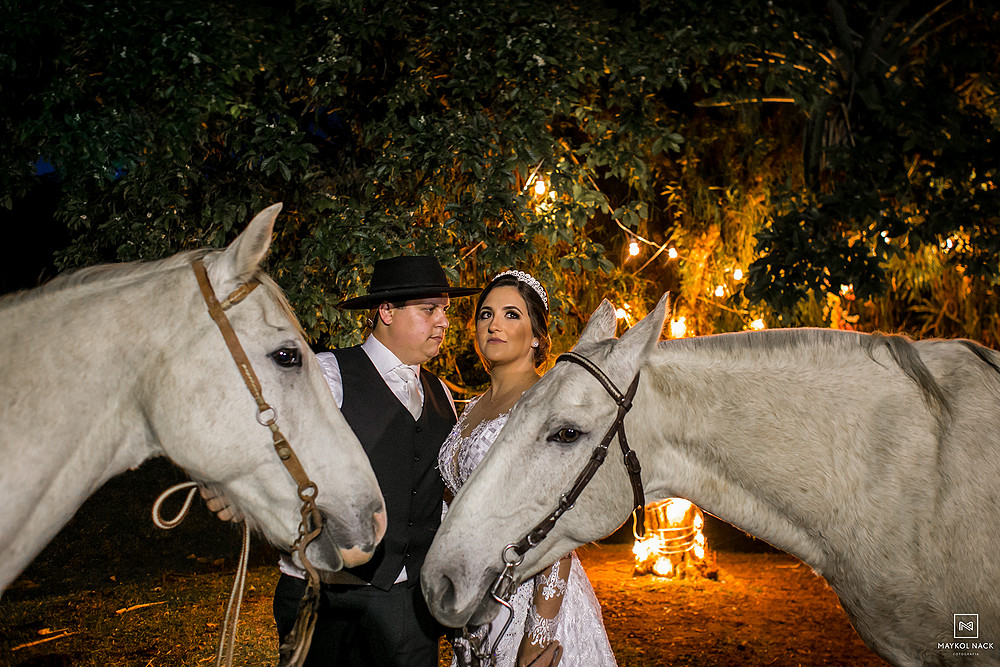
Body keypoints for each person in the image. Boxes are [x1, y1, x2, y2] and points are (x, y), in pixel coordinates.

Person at [271, 255, 480, 666]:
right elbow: (275, 469)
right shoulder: (330, 375)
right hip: (331, 598)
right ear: (385, 311)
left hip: (412, 603)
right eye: (428, 310)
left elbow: (435, 496)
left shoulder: (441, 395)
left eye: (445, 311)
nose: (443, 323)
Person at [438, 270, 617, 667]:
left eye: (511, 314)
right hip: (476, 608)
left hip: (532, 601)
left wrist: (538, 636)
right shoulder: (467, 410)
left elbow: (556, 530)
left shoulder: (547, 409)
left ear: (536, 335)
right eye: (485, 314)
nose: (494, 324)